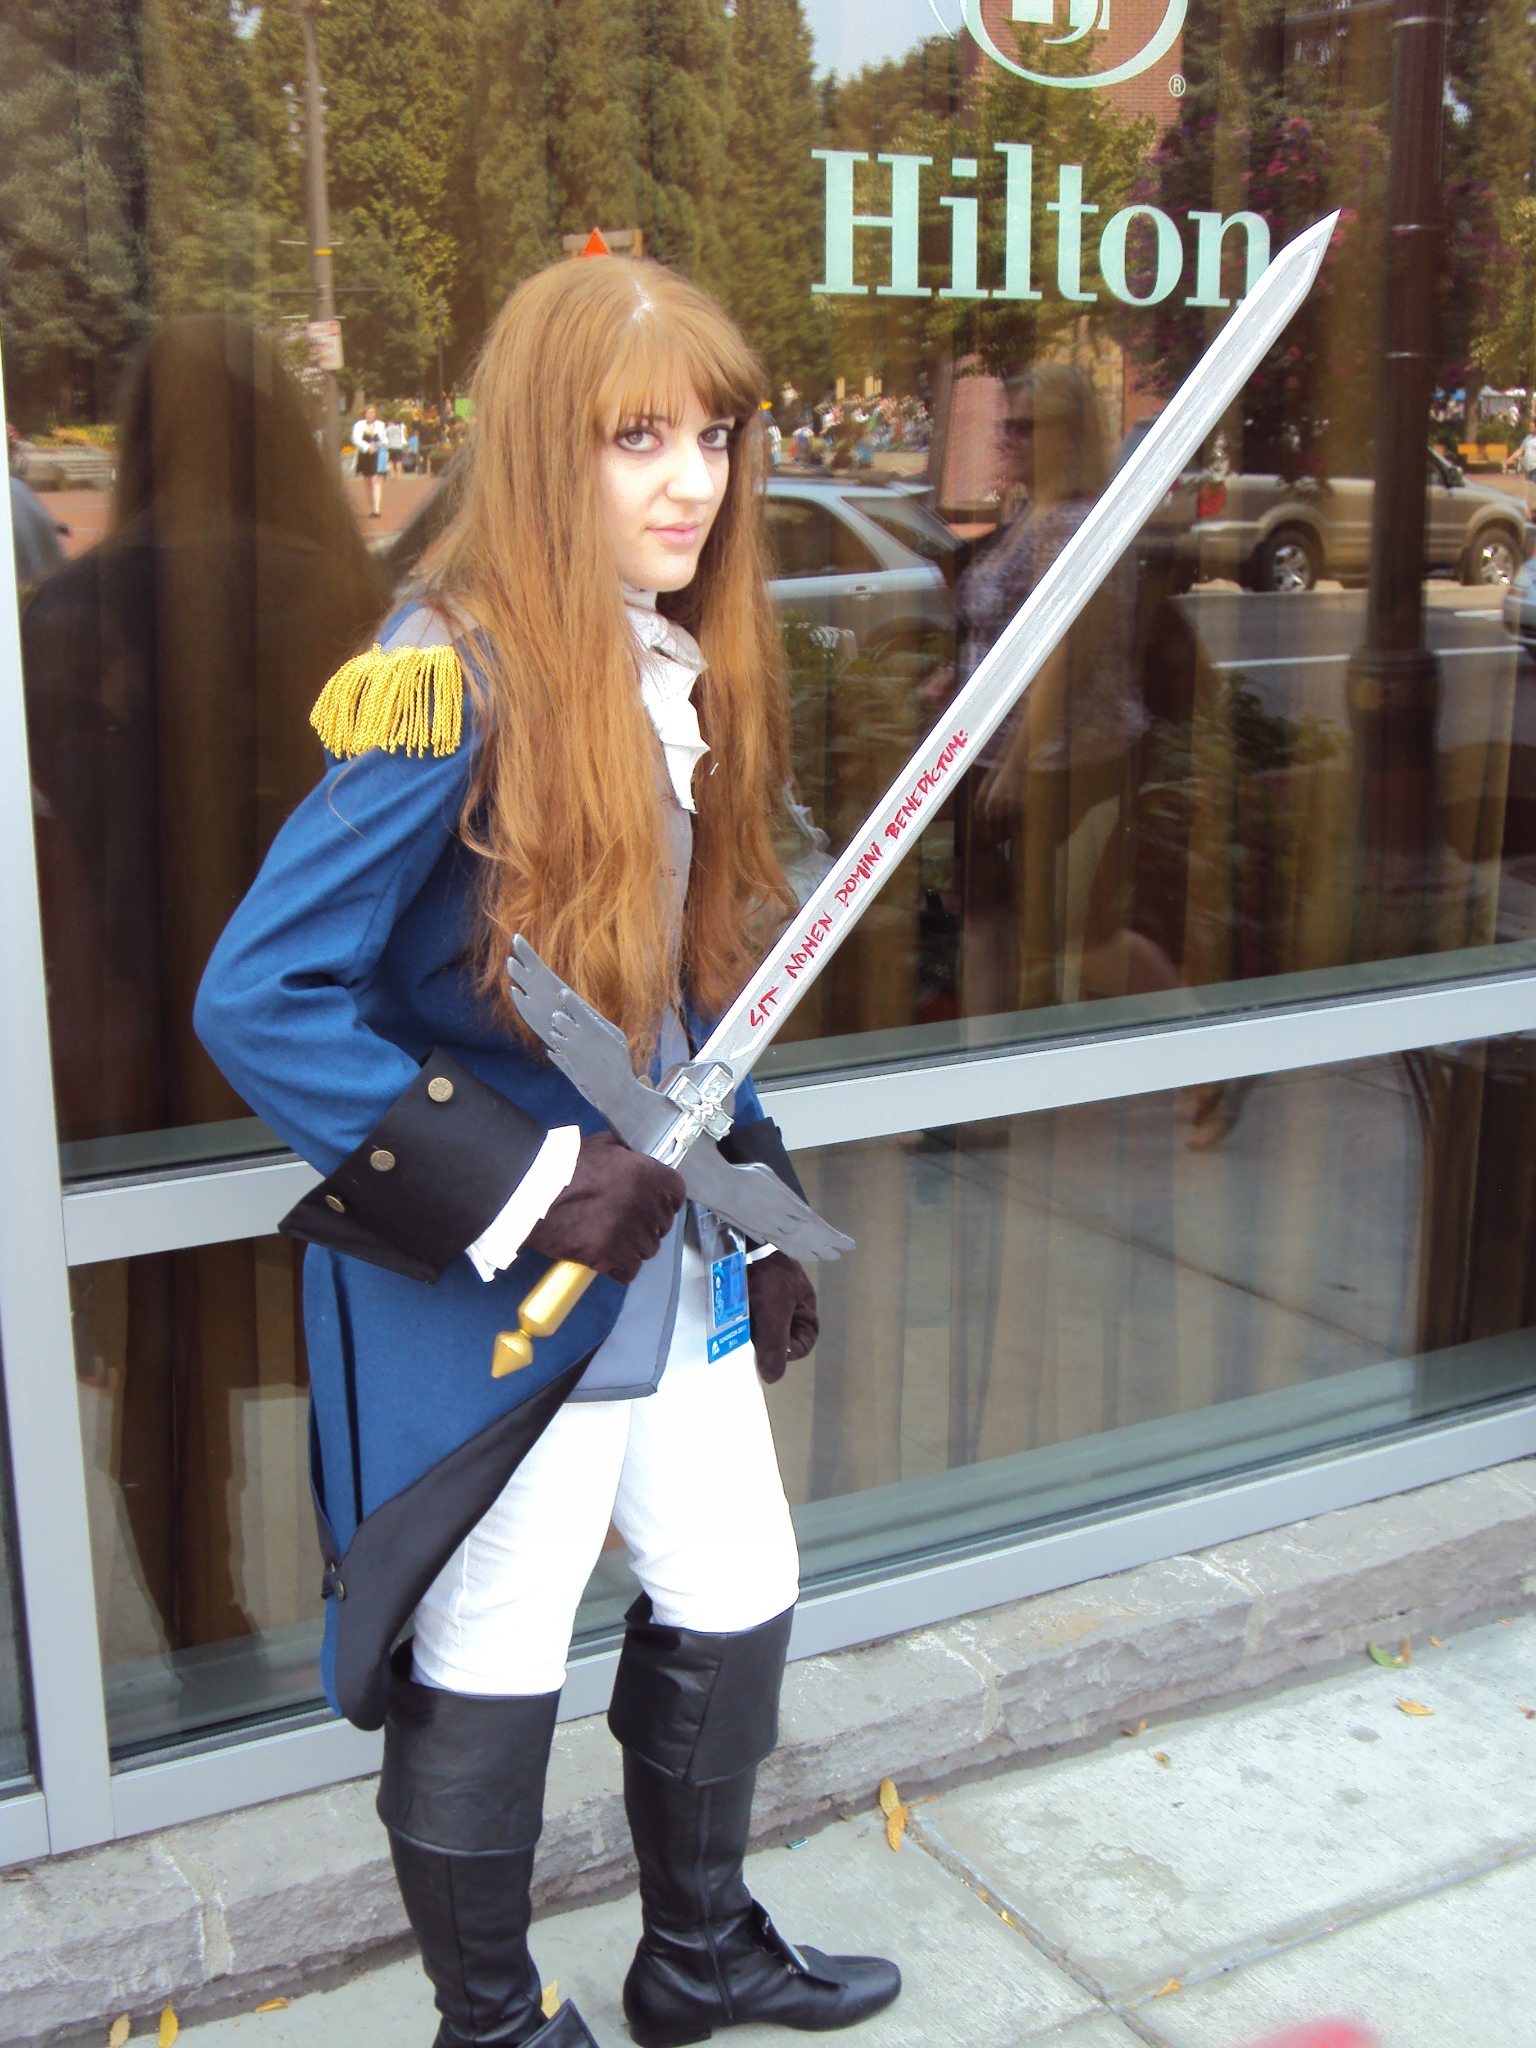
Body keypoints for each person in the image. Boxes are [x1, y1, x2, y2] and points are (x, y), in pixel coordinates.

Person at [193, 259, 901, 2048]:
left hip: (668, 1250)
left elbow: (670, 1003)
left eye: (715, 437)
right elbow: (261, 993)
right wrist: (529, 1182)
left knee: (737, 1583)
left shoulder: (661, 659)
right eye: (636, 438)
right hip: (511, 1279)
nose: (693, 481)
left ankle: (698, 1954)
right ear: (538, 446)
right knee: (495, 1634)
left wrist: (756, 1197)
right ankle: (495, 2027)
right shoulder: (447, 682)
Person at [352, 400, 388, 516]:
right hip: (365, 456)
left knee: (376, 480)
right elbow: (355, 439)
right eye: (368, 412)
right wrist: (367, 447)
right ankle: (372, 506)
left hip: (377, 456)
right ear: (365, 414)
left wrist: (381, 445)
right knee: (368, 482)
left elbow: (384, 438)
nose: (371, 415)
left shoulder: (380, 425)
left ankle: (377, 509)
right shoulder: (359, 425)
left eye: (373, 412)